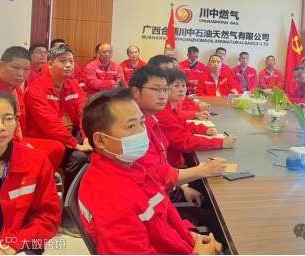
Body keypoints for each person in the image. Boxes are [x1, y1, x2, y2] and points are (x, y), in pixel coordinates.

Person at [79, 87, 222, 255]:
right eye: (131, 126)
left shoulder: (128, 167)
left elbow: (162, 218)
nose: (142, 133)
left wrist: (190, 235)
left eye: (142, 123)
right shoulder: (113, 203)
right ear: (101, 140)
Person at [129, 67, 227, 198]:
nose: (162, 96)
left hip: (168, 182)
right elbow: (157, 176)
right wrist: (203, 169)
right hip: (154, 194)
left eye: (165, 90)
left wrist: (184, 186)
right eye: (156, 89)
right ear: (135, 91)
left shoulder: (151, 117)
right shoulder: (136, 127)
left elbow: (162, 163)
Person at [0, 90, 61, 254]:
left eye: (8, 119)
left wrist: (14, 244)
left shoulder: (36, 161)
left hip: (17, 245)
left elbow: (47, 216)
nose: (0, 127)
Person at [24, 45, 91, 193]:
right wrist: (76, 145)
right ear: (50, 64)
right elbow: (50, 123)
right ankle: (69, 201)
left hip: (69, 134)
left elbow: (84, 113)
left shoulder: (73, 85)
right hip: (47, 138)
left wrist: (86, 138)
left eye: (71, 61)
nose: (68, 65)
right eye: (63, 60)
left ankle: (87, 197)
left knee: (98, 147)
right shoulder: (36, 89)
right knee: (79, 158)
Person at [0, 47, 65, 172]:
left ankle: (38, 176)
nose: (21, 74)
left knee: (57, 148)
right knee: (37, 156)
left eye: (26, 69)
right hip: (1, 142)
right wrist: (21, 146)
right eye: (16, 68)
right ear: (1, 65)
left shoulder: (15, 87)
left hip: (20, 138)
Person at [156, 69, 237, 167]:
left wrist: (204, 129)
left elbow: (182, 124)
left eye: (183, 85)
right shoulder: (163, 114)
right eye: (176, 86)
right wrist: (220, 142)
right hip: (172, 165)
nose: (182, 89)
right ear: (165, 89)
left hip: (176, 159)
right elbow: (185, 141)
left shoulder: (170, 108)